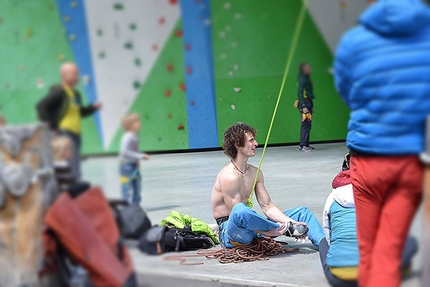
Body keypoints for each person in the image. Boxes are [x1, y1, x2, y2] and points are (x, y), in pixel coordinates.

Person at [333, 1, 430, 286]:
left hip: (367, 157)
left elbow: (346, 90)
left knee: (368, 250)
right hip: (409, 160)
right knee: (389, 252)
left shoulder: (353, 41)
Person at [211, 122, 325, 249]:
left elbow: (268, 207)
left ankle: (324, 246)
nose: (256, 144)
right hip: (232, 233)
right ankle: (277, 229)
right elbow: (236, 215)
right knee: (240, 210)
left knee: (302, 213)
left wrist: (290, 222)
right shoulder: (229, 176)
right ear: (238, 145)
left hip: (255, 228)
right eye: (251, 140)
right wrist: (274, 227)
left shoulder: (255, 172)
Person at [319, 155, 418, 287]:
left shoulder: (333, 197)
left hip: (339, 278)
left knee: (323, 242)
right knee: (410, 241)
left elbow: (329, 235)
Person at [37, 62, 102, 181]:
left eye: (77, 73)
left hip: (76, 133)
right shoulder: (59, 92)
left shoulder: (75, 94)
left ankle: (75, 186)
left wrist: (93, 108)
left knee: (75, 161)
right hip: (64, 132)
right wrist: (52, 127)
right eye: (74, 73)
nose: (77, 76)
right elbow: (41, 105)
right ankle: (70, 187)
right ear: (64, 75)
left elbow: (79, 112)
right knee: (68, 162)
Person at [119, 113, 149, 204]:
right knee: (126, 187)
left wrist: (137, 161)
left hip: (133, 165)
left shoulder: (136, 136)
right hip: (126, 166)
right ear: (129, 125)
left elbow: (134, 150)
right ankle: (126, 207)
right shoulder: (127, 137)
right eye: (136, 121)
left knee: (137, 186)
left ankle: (136, 206)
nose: (139, 123)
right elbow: (125, 152)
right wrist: (141, 156)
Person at [296, 63, 315, 152]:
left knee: (308, 124)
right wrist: (304, 106)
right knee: (305, 125)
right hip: (305, 104)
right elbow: (300, 93)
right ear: (303, 69)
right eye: (307, 67)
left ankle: (306, 144)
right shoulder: (302, 79)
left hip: (308, 103)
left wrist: (311, 106)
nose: (310, 68)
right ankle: (303, 145)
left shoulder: (305, 78)